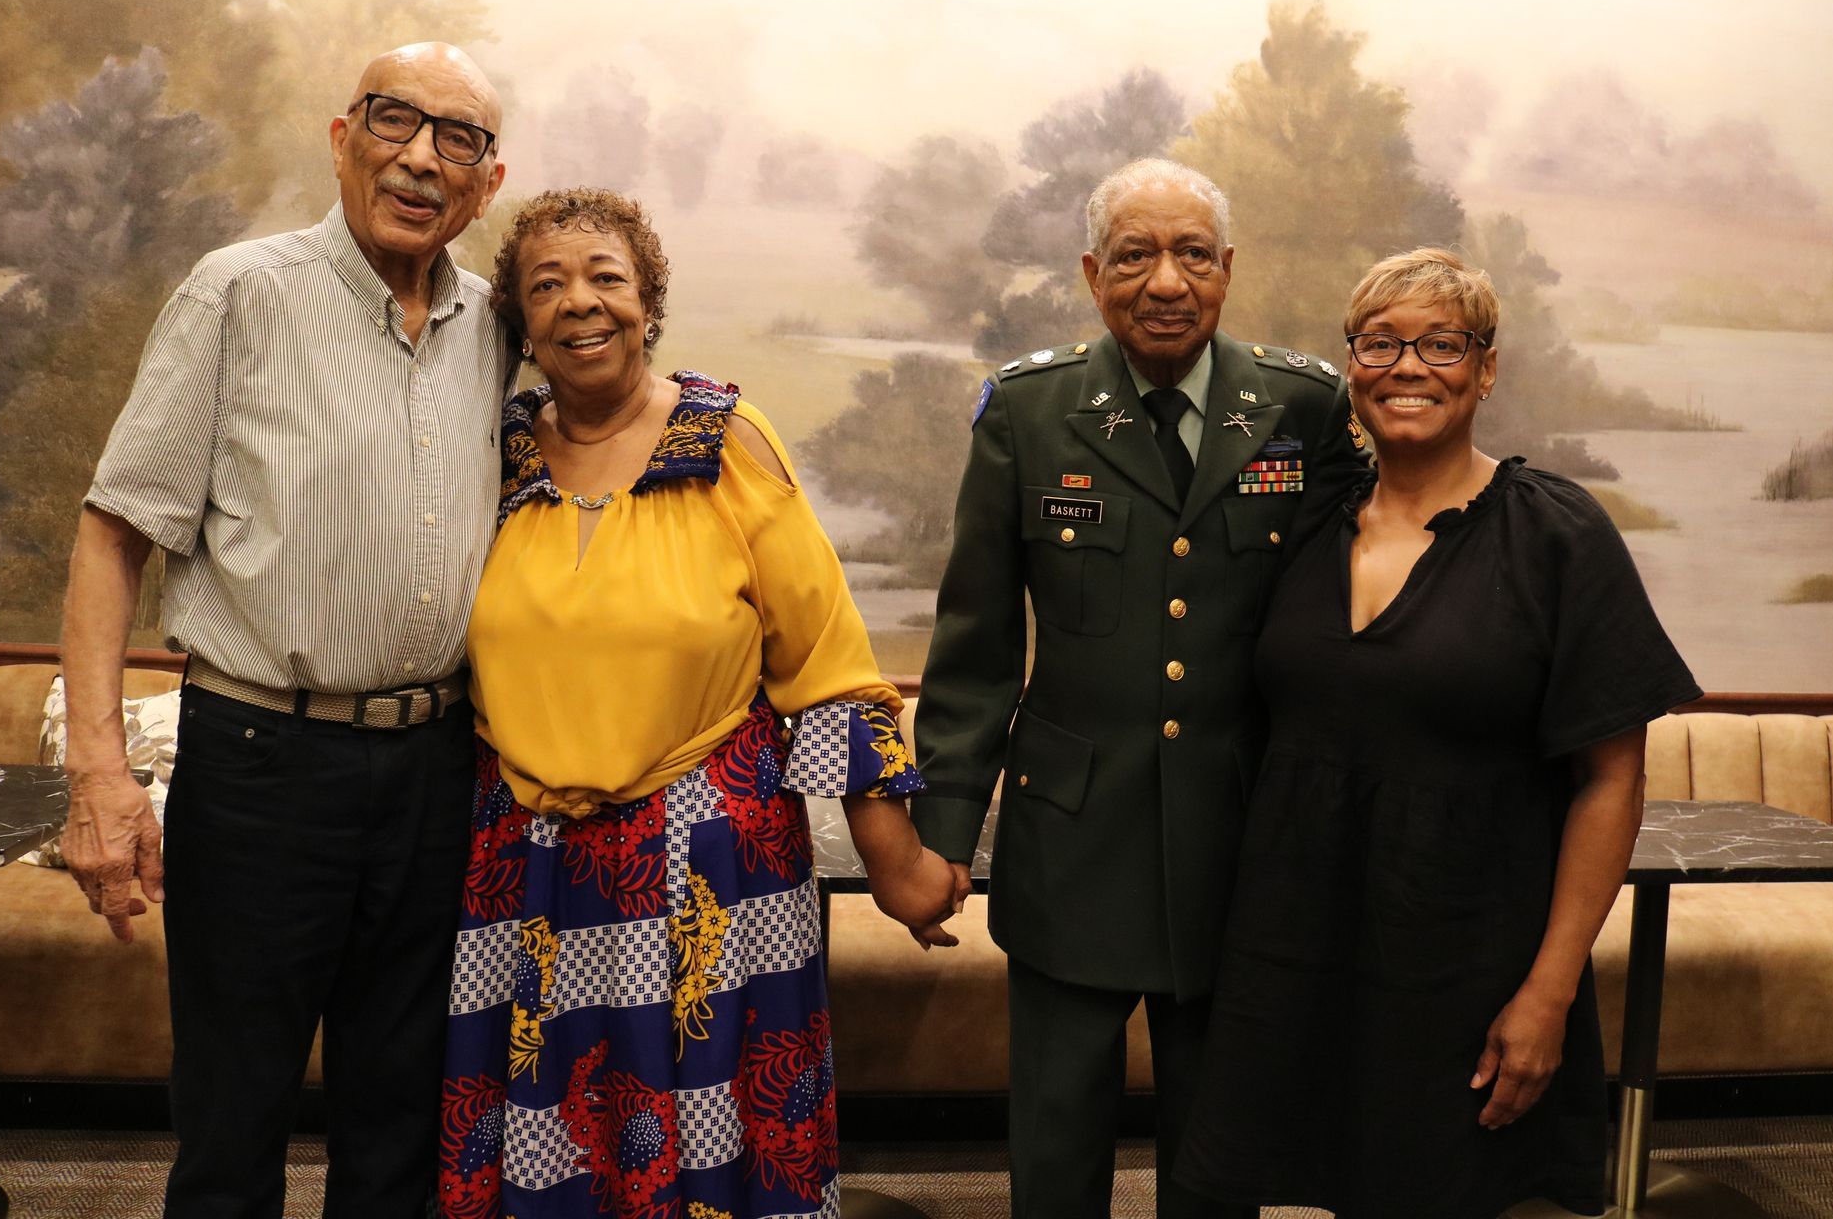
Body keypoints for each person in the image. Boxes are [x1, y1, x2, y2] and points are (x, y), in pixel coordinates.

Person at [435, 188, 956, 1219]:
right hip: (527, 866)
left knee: (717, 1153)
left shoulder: (726, 438)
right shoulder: (492, 455)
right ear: (521, 323)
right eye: (547, 285)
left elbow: (827, 663)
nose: (580, 303)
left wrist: (896, 859)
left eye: (606, 278)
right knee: (553, 1158)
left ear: (648, 300)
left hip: (713, 864)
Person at [59, 42, 510, 1216]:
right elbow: (114, 532)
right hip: (262, 765)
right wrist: (98, 772)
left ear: (487, 180)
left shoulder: (496, 330)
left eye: (454, 137)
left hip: (439, 769)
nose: (419, 157)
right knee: (233, 1111)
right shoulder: (239, 291)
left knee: (401, 1118)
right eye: (394, 120)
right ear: (342, 135)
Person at [1174, 249, 1703, 1218]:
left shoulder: (1557, 535)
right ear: (1352, 366)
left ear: (1486, 368)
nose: (1407, 365)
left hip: (1463, 974)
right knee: (1228, 1188)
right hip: (1285, 961)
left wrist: (1546, 994)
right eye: (1380, 342)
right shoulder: (1300, 523)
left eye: (1440, 343)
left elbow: (1610, 781)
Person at [909, 157, 1370, 1219]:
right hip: (1071, 833)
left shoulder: (1304, 406)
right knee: (1059, 1141)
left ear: (1227, 269)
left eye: (1192, 254)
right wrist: (942, 830)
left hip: (1239, 832)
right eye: (1135, 255)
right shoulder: (1028, 412)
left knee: (1216, 1152)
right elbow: (977, 645)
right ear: (1091, 272)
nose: (1166, 281)